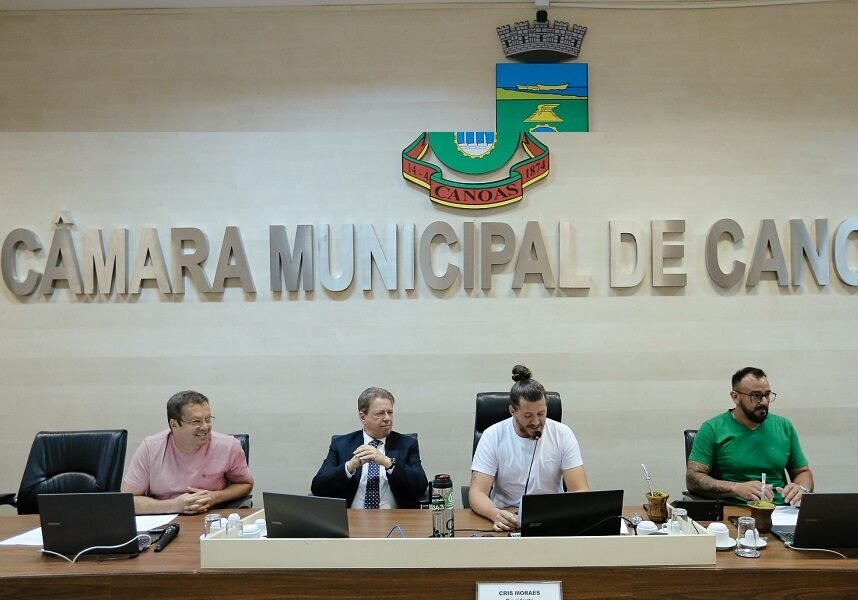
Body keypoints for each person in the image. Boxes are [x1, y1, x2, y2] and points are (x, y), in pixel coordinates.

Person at [469, 365, 589, 532]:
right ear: (512, 411)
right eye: (528, 415)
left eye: (541, 413)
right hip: (506, 520)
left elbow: (580, 490)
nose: (536, 421)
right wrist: (494, 513)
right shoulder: (492, 436)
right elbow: (477, 493)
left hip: (552, 519)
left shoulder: (563, 434)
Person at [686, 367, 813, 506]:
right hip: (734, 509)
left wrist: (801, 489)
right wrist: (735, 488)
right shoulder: (712, 428)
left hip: (780, 510)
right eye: (756, 395)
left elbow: (802, 472)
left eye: (767, 395)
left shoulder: (784, 426)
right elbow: (693, 479)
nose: (764, 401)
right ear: (735, 397)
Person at [121, 390, 254, 515]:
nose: (205, 427)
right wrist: (173, 505)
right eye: (196, 421)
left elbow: (246, 484)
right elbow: (127, 501)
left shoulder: (228, 446)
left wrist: (215, 497)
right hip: (163, 519)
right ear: (174, 424)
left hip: (212, 517)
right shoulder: (150, 448)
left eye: (208, 419)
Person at [311, 387, 428, 509]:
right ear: (363, 417)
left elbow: (420, 486)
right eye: (380, 413)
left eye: (390, 412)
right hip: (352, 519)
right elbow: (318, 488)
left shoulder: (406, 444)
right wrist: (350, 466)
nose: (387, 418)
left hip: (394, 519)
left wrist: (388, 463)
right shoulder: (341, 445)